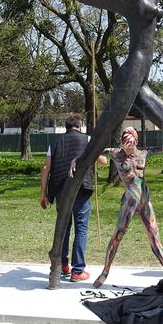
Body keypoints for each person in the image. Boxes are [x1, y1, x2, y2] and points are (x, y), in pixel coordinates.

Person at [91, 127, 163, 288]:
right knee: (118, 235)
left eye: (131, 144)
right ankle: (105, 272)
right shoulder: (116, 153)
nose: (127, 148)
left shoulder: (143, 153)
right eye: (125, 144)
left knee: (153, 234)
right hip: (130, 199)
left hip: (144, 198)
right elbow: (91, 150)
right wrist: (76, 160)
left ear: (136, 142)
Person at [40, 116, 106, 282]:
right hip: (81, 188)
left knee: (64, 228)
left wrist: (43, 193)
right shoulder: (88, 139)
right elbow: (103, 161)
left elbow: (45, 168)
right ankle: (78, 271)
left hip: (60, 190)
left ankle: (62, 265)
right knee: (81, 228)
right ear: (80, 126)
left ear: (66, 127)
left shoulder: (54, 142)